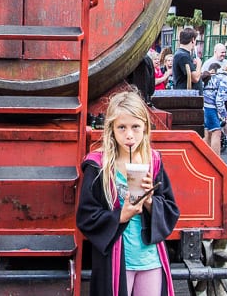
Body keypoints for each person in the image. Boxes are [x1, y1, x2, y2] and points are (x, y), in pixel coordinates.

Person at [76, 90, 180, 296]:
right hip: (116, 261)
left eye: (135, 127)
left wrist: (150, 201)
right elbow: (86, 216)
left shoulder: (154, 161)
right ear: (111, 129)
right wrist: (121, 216)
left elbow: (170, 209)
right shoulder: (98, 166)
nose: (129, 135)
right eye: (121, 127)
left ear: (145, 128)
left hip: (150, 258)